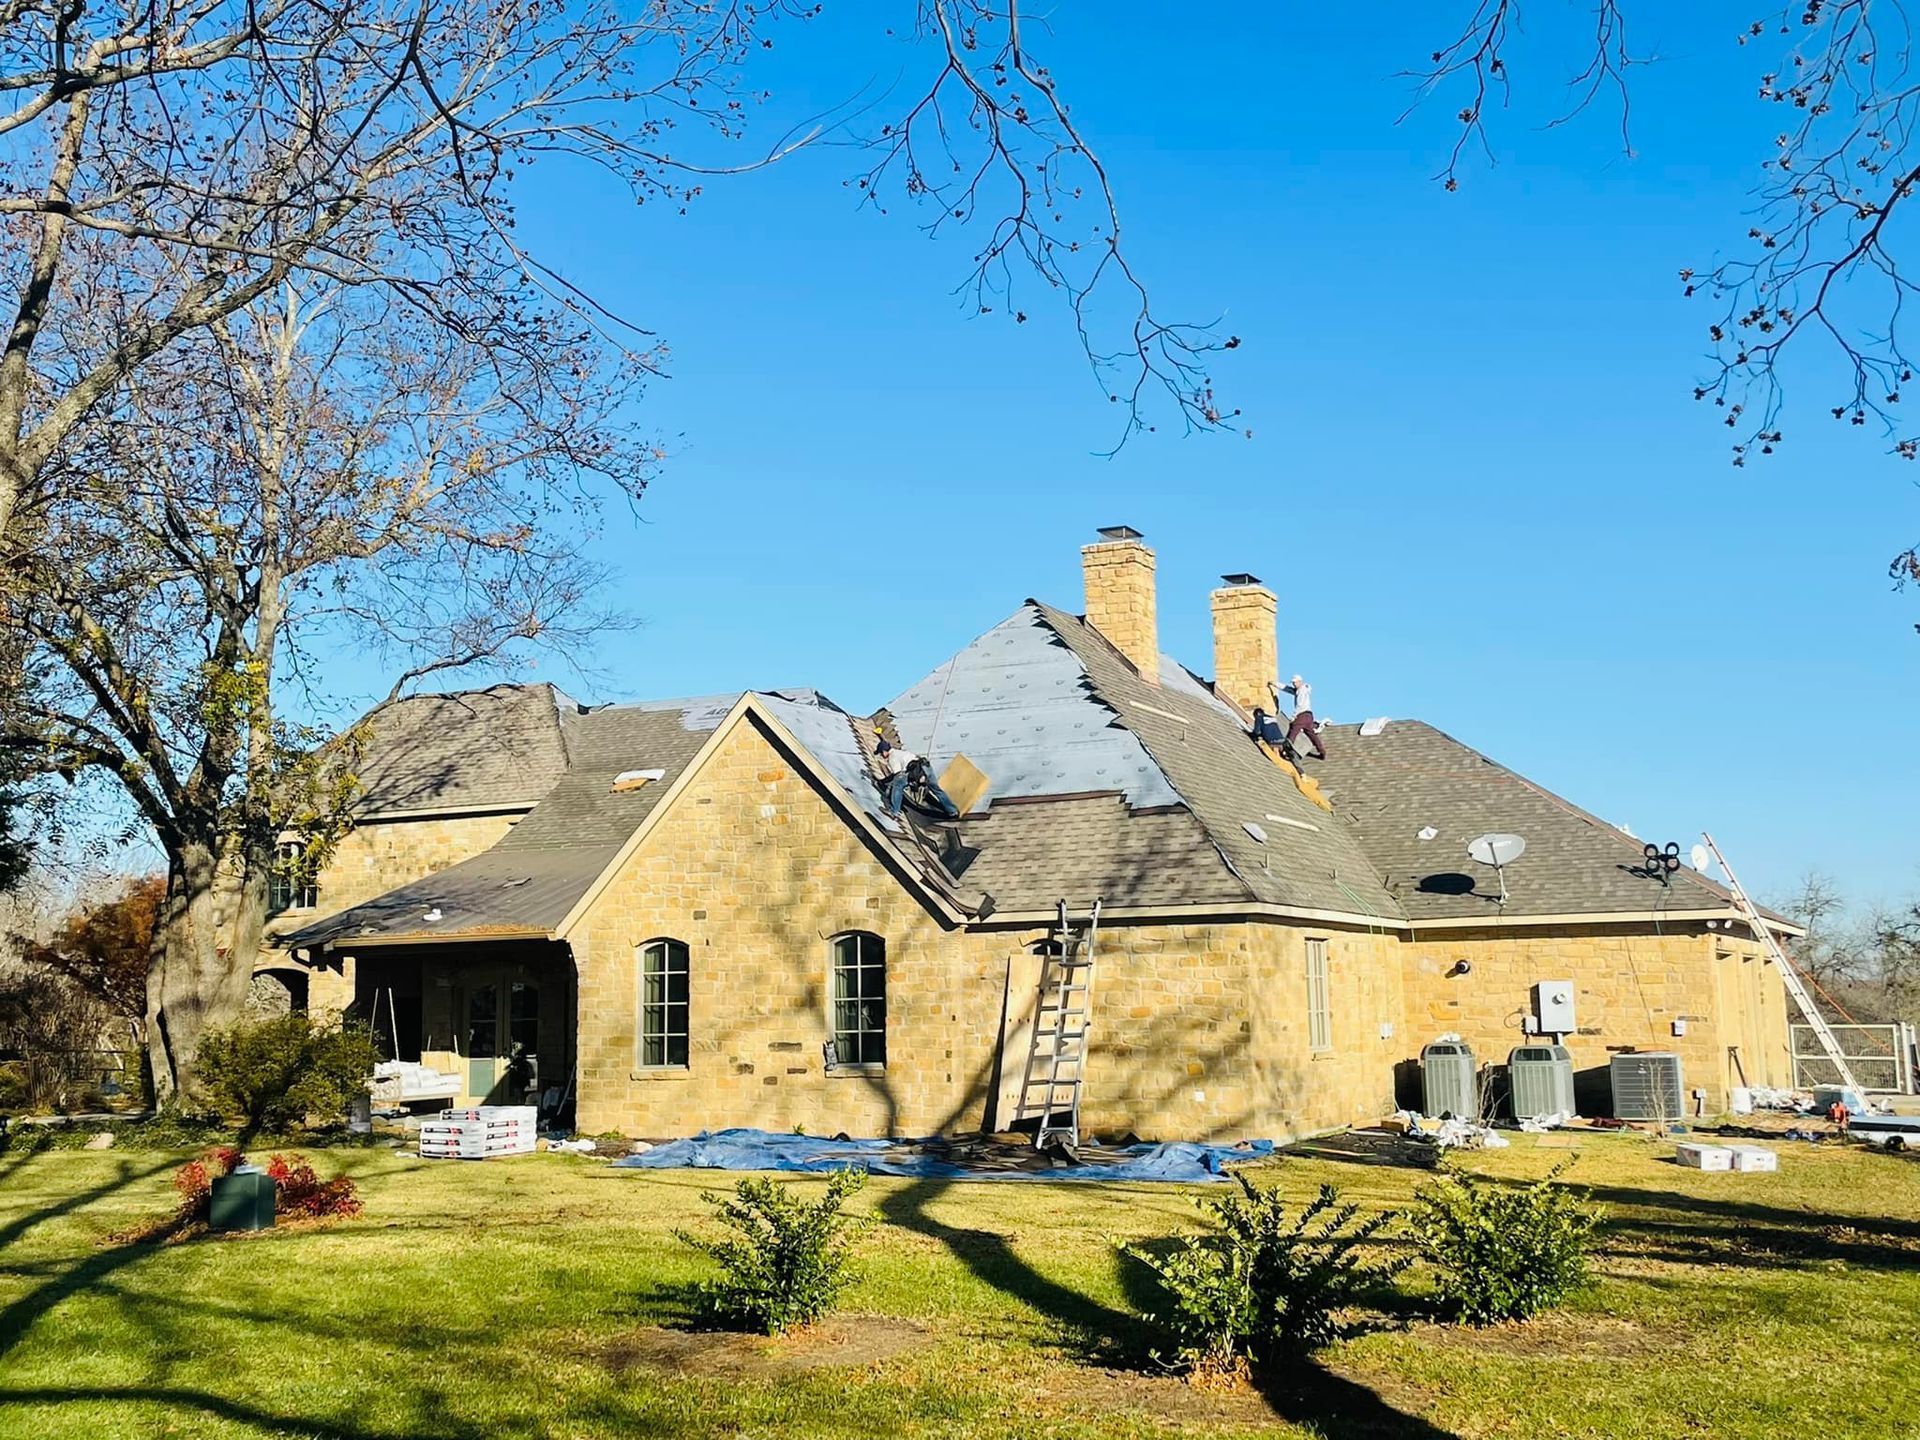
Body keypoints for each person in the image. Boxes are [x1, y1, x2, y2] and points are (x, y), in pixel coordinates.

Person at [876, 737, 960, 819]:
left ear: (884, 752)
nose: (881, 755)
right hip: (926, 767)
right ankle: (952, 811)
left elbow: (897, 774)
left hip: (916, 772)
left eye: (880, 753)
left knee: (897, 785)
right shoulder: (900, 752)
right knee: (937, 790)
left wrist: (884, 782)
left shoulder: (893, 757)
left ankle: (894, 812)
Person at [1280, 673, 1328, 760]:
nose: (1294, 684)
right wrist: (1275, 684)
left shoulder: (1301, 691)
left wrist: (1294, 716)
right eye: (1293, 683)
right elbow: (1287, 689)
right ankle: (1322, 751)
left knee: (1294, 727)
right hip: (1309, 716)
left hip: (1302, 713)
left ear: (1300, 682)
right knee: (1311, 733)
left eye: (1295, 683)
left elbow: (1300, 705)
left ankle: (1288, 745)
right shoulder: (1301, 689)